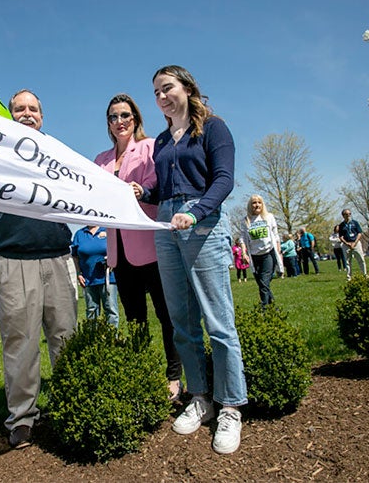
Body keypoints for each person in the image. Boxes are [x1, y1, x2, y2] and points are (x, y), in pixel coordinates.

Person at [139, 65, 247, 455]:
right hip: (167, 228)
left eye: (167, 88)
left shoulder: (213, 128)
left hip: (201, 226)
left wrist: (197, 211)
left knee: (218, 322)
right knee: (181, 321)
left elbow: (223, 179)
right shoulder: (162, 141)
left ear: (186, 88)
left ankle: (231, 406)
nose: (161, 97)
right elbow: (163, 187)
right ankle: (199, 396)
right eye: (155, 92)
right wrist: (145, 190)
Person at [0, 89, 78, 449]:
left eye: (33, 109)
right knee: (20, 344)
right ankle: (23, 418)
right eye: (19, 109)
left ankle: (74, 403)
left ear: (42, 115)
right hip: (14, 259)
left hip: (58, 257)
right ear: (9, 115)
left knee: (66, 338)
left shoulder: (58, 153)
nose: (27, 113)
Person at [94, 93, 183, 401]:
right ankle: (144, 372)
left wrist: (142, 190)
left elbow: (158, 186)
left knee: (165, 314)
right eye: (113, 117)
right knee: (134, 318)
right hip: (119, 251)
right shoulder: (101, 160)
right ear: (108, 123)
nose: (120, 122)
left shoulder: (149, 148)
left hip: (150, 246)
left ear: (136, 119)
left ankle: (174, 376)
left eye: (125, 116)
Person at [70, 225, 119, 328]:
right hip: (88, 279)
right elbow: (75, 256)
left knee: (111, 309)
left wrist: (112, 261)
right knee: (92, 310)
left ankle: (112, 339)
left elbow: (117, 249)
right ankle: (93, 339)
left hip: (107, 277)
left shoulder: (107, 229)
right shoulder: (80, 234)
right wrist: (79, 273)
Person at [240, 195, 283, 306]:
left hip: (268, 253)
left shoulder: (269, 217)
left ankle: (263, 308)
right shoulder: (246, 221)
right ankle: (273, 308)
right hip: (254, 256)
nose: (257, 205)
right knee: (262, 284)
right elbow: (243, 239)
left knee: (264, 282)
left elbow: (275, 234)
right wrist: (244, 253)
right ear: (250, 205)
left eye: (259, 202)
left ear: (262, 204)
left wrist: (278, 249)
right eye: (254, 202)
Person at [338, 209, 368, 280]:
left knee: (361, 259)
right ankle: (349, 277)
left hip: (356, 243)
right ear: (343, 215)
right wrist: (347, 243)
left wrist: (355, 243)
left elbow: (359, 233)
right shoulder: (341, 225)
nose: (348, 215)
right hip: (346, 245)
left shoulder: (355, 223)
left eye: (349, 214)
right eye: (346, 214)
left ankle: (365, 275)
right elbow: (341, 236)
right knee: (348, 261)